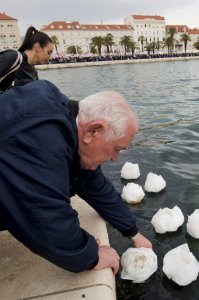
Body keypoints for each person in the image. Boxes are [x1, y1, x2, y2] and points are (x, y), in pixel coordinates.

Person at [0, 80, 152, 274]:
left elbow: (95, 187)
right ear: (93, 131)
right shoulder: (40, 138)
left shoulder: (66, 128)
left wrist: (134, 233)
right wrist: (91, 255)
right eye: (116, 149)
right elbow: (46, 220)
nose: (115, 159)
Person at [0, 26, 53, 91]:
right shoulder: (14, 57)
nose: (50, 58)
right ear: (38, 47)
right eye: (49, 52)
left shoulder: (33, 71)